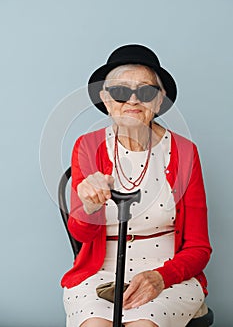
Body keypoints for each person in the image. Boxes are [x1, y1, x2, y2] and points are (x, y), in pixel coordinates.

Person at [61, 44, 212, 327]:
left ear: (159, 101)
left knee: (144, 324)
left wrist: (161, 277)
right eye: (120, 92)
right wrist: (90, 207)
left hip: (168, 274)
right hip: (100, 271)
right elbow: (80, 233)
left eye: (145, 92)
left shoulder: (185, 151)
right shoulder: (88, 146)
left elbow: (199, 247)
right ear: (105, 99)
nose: (132, 101)